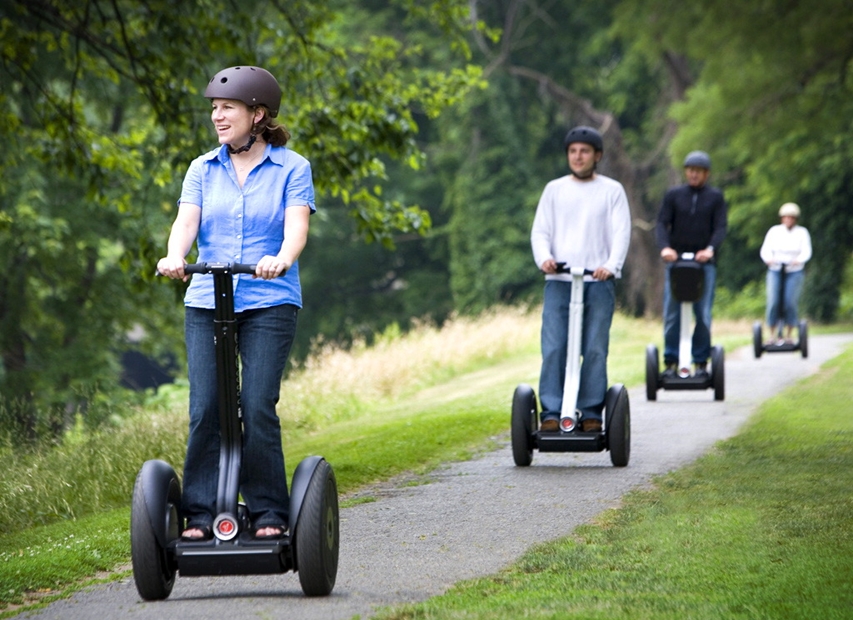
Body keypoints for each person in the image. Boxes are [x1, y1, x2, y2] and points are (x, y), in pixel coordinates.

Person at [157, 66, 314, 541]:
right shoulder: (201, 168)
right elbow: (186, 223)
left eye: (227, 108)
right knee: (207, 407)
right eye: (214, 109)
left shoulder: (293, 167)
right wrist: (174, 256)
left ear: (257, 114)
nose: (218, 117)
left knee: (256, 404)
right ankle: (200, 515)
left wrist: (281, 259)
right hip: (207, 301)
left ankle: (268, 510)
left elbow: (296, 230)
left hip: (269, 301)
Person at [530, 126, 631, 433]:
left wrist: (611, 266)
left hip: (598, 282)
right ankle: (550, 411)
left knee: (595, 348)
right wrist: (544, 259)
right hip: (559, 281)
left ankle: (589, 412)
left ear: (597, 156)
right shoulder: (554, 189)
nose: (578, 156)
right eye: (573, 151)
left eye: (584, 151)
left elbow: (621, 232)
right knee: (554, 347)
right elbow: (540, 232)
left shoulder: (612, 190)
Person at [655, 150, 727, 378]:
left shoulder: (715, 197)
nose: (694, 175)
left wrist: (710, 250)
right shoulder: (674, 195)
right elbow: (661, 223)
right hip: (677, 263)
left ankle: (701, 362)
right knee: (672, 313)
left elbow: (720, 227)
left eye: (698, 171)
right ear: (686, 171)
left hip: (704, 264)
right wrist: (665, 248)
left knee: (703, 313)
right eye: (690, 170)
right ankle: (671, 361)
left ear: (706, 173)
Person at [759, 202, 812, 343]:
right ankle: (771, 335)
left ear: (795, 219)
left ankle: (789, 335)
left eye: (791, 217)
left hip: (794, 271)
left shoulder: (802, 232)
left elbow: (806, 251)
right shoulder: (774, 231)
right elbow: (765, 250)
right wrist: (769, 259)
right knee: (773, 302)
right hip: (776, 270)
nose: (788, 220)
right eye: (786, 217)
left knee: (790, 302)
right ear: (782, 218)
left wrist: (799, 260)